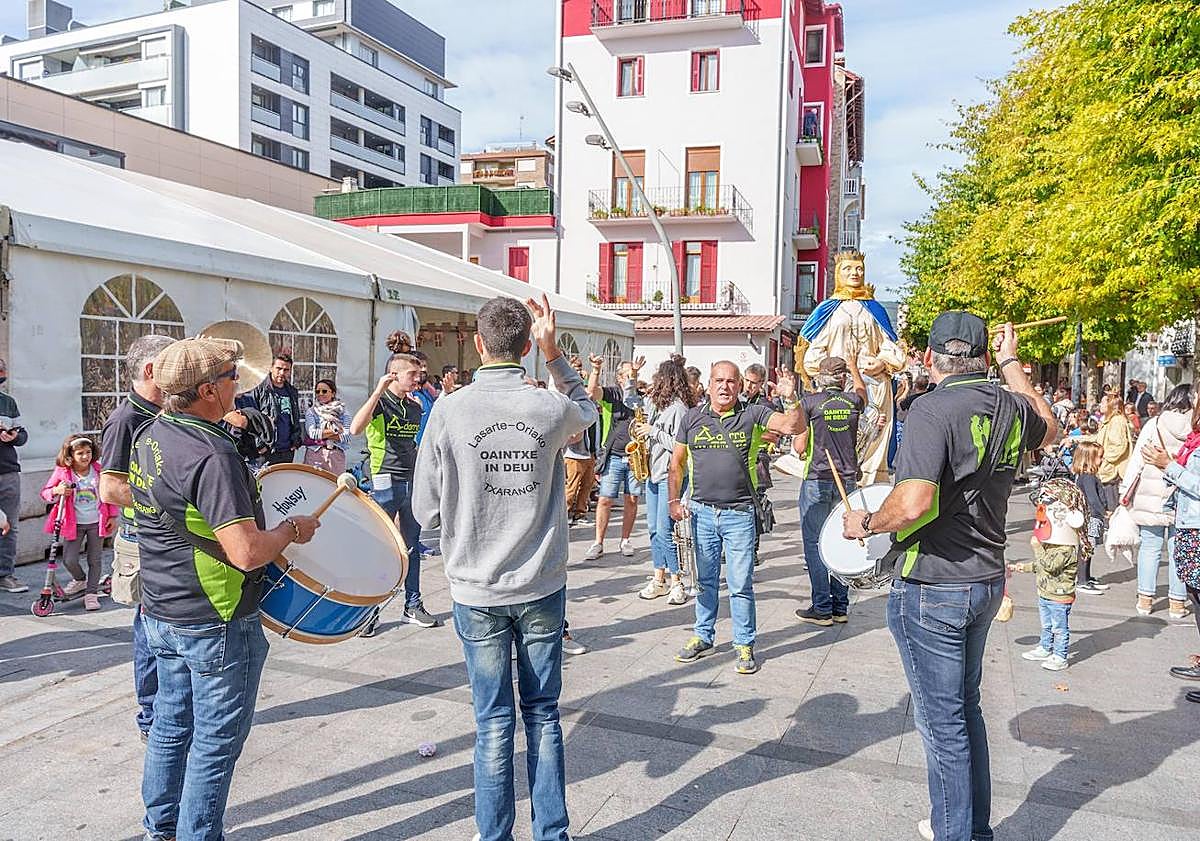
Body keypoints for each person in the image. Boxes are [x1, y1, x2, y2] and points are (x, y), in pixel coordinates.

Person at [842, 313, 1056, 841]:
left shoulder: (929, 409)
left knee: (943, 727)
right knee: (966, 713)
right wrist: (1013, 364)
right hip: (985, 578)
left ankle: (957, 832)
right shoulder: (1009, 403)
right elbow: (1047, 427)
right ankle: (964, 826)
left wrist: (866, 522)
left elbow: (914, 502)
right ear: (983, 356)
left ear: (933, 358)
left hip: (934, 582)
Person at [413, 294, 596, 841]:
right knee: (542, 713)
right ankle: (552, 834)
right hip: (541, 582)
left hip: (475, 586)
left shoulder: (449, 408)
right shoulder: (548, 406)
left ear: (476, 343)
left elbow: (425, 507)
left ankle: (493, 835)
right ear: (525, 346)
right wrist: (554, 352)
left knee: (492, 722)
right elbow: (589, 412)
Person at [132, 336, 318, 841]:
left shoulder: (150, 434)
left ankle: (160, 829)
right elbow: (247, 552)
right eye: (235, 375)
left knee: (170, 729)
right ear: (209, 389)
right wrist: (290, 531)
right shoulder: (212, 454)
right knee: (215, 745)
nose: (242, 382)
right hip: (213, 615)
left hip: (161, 609)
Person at [670, 361, 806, 675]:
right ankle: (703, 636)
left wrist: (792, 399)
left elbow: (793, 427)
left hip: (740, 514)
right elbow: (676, 463)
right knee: (704, 582)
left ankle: (744, 644)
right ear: (709, 382)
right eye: (719, 380)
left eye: (731, 381)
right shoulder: (692, 418)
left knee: (740, 584)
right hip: (701, 513)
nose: (725, 387)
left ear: (739, 384)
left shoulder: (752, 415)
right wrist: (674, 501)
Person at [99, 333, 175, 740]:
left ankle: (165, 709)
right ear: (150, 370)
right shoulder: (126, 418)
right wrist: (168, 499)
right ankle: (150, 716)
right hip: (141, 535)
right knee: (149, 629)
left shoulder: (163, 413)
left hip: (160, 533)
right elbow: (109, 488)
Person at [350, 351, 440, 634]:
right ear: (394, 375)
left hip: (410, 480)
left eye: (419, 374)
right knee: (381, 547)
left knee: (411, 545)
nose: (418, 379)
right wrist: (378, 389)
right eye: (412, 374)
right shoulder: (380, 403)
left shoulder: (414, 406)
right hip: (383, 481)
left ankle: (412, 604)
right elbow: (355, 429)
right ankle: (369, 611)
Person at [792, 356, 868, 626]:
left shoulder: (810, 403)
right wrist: (855, 366)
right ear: (843, 379)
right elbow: (862, 392)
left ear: (820, 378)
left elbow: (800, 447)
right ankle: (840, 606)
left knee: (814, 543)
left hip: (817, 478)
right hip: (847, 481)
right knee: (840, 541)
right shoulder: (853, 402)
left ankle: (822, 607)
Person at [1120, 383, 1195, 618]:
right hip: (1181, 495)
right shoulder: (1195, 428)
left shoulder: (1154, 425)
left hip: (1150, 495)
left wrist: (1125, 490)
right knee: (1177, 550)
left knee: (1150, 548)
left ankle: (1145, 599)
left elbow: (1137, 461)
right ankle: (1177, 602)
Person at [1142, 399, 1200, 699]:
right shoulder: (1194, 438)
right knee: (1195, 593)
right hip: (1190, 523)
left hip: (1197, 526)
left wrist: (1170, 466)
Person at [631, 357, 697, 605]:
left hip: (671, 476)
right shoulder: (657, 404)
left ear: (667, 380)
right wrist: (632, 379)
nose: (656, 382)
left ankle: (677, 581)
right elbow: (633, 404)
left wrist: (654, 433)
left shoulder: (679, 409)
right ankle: (659, 578)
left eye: (659, 378)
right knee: (653, 530)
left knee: (665, 531)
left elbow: (682, 446)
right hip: (653, 472)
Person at [41, 435, 117, 611]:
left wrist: (112, 516)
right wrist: (57, 490)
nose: (85, 457)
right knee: (69, 559)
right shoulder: (63, 472)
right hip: (73, 523)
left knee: (95, 559)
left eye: (88, 452)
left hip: (96, 522)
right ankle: (81, 580)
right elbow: (45, 493)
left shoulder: (99, 470)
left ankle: (91, 593)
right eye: (80, 453)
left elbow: (109, 494)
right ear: (70, 455)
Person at [583, 354, 645, 561]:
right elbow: (591, 392)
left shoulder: (640, 396)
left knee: (632, 498)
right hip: (615, 455)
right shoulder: (613, 394)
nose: (631, 378)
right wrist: (596, 369)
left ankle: (625, 540)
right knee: (605, 499)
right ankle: (598, 542)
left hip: (635, 455)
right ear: (619, 378)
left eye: (634, 375)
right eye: (628, 375)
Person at [1023, 478, 1086, 670]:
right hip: (1045, 592)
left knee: (1059, 627)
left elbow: (1050, 565)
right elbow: (1042, 566)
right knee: (1047, 624)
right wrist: (1024, 567)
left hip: (1059, 596)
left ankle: (1060, 656)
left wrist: (1037, 548)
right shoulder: (1053, 543)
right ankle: (1045, 647)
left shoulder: (1066, 547)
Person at [244, 353, 303, 465]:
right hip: (265, 452)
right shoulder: (258, 390)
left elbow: (295, 418)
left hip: (287, 451)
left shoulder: (292, 391)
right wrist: (260, 445)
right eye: (279, 368)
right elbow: (250, 419)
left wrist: (296, 441)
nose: (282, 373)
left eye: (286, 370)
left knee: (284, 482)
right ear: (271, 368)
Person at [0, 357, 27, 594]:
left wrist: (13, 437)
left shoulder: (9, 403)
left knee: (11, 525)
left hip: (8, 471)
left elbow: (23, 434)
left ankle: (6, 574)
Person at [1071, 441, 1109, 595]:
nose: (1102, 460)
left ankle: (1086, 577)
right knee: (1087, 548)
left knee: (1088, 548)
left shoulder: (1085, 476)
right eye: (1100, 457)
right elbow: (1093, 499)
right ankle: (1082, 580)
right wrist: (1104, 512)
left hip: (1089, 516)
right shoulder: (1088, 477)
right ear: (1089, 459)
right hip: (1091, 517)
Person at [563, 356, 598, 525]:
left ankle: (580, 513)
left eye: (580, 367)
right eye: (575, 368)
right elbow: (589, 393)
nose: (579, 371)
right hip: (574, 451)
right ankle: (565, 514)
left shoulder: (583, 393)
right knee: (572, 485)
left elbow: (591, 393)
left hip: (590, 449)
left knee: (587, 485)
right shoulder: (569, 394)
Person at [1088, 394, 1134, 510]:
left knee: (1111, 510)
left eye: (1103, 402)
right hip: (1107, 472)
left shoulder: (1116, 421)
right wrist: (1074, 439)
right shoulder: (1110, 421)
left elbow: (1119, 446)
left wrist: (1103, 459)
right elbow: (1097, 439)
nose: (1100, 405)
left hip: (1112, 474)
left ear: (1110, 405)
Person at [302, 378, 350, 474]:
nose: (320, 394)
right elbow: (312, 434)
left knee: (334, 485)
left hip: (336, 454)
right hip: (314, 453)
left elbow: (346, 436)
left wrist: (323, 434)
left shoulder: (343, 411)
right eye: (317, 391)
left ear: (333, 393)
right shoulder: (312, 411)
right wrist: (336, 431)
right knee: (311, 483)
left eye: (324, 391)